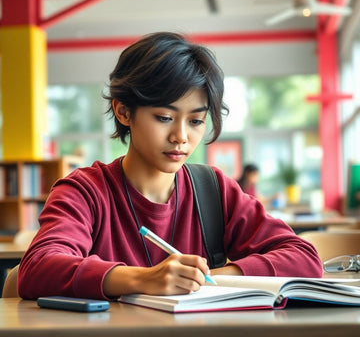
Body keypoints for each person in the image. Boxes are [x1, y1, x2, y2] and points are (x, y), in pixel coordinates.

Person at [18, 32, 322, 300]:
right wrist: (141, 279)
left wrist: (215, 276)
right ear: (123, 111)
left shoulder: (213, 190)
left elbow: (305, 258)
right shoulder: (84, 191)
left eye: (196, 121)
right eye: (164, 117)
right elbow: (37, 268)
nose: (181, 137)